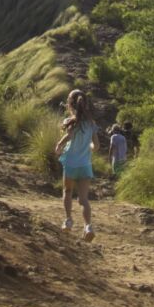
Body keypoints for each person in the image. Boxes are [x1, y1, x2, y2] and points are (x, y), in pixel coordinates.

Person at [55, 89, 98, 242]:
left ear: (70, 104)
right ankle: (88, 227)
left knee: (67, 191)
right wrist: (89, 147)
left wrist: (59, 145)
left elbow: (69, 136)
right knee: (83, 199)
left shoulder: (70, 121)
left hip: (71, 163)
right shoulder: (91, 123)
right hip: (85, 164)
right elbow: (96, 146)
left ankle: (68, 220)